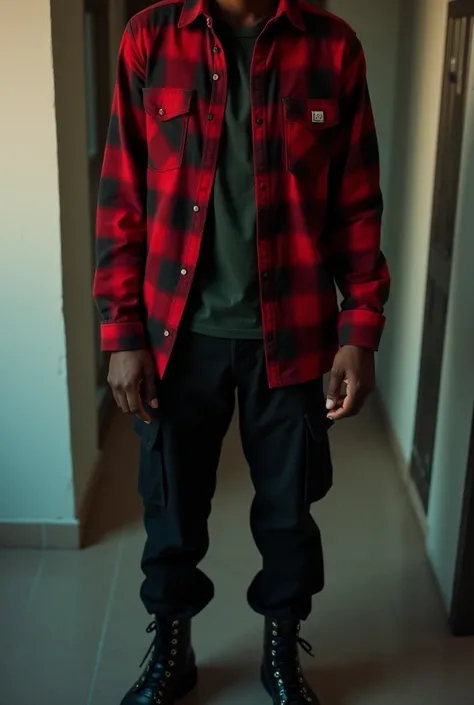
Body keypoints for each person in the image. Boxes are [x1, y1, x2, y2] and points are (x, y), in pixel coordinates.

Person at [93, 0, 390, 701]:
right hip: (174, 337)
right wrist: (121, 332)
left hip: (290, 334)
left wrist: (362, 328)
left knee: (289, 512)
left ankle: (282, 654)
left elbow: (357, 202)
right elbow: (120, 197)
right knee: (169, 509)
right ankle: (173, 651)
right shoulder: (151, 38)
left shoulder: (333, 48)